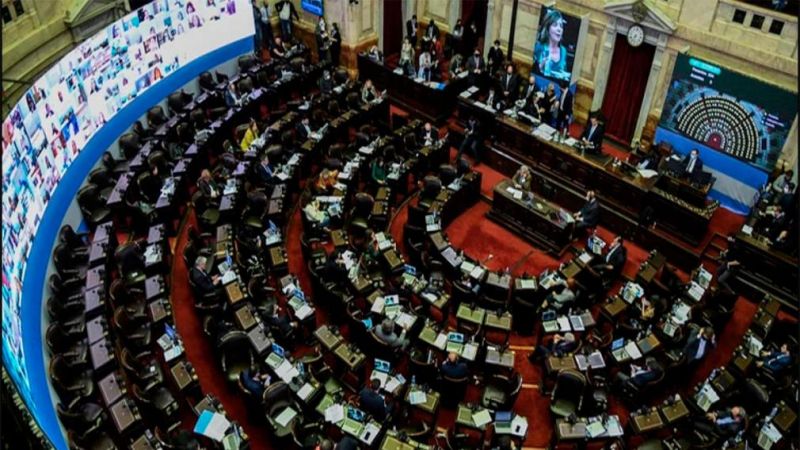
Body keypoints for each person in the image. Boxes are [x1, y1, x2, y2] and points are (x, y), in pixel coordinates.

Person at [534, 9, 569, 80]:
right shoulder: (539, 47)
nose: (559, 29)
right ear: (548, 28)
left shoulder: (563, 51)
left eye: (561, 26)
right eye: (555, 25)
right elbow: (533, 72)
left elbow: (563, 73)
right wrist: (541, 66)